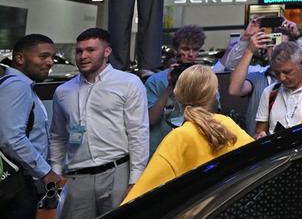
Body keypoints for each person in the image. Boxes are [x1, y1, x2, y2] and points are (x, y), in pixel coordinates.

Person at [49, 29, 148, 218]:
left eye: (90, 50)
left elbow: (138, 134)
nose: (83, 56)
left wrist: (135, 181)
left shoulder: (128, 83)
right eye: (79, 51)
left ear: (107, 52)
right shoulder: (63, 91)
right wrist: (57, 174)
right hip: (77, 177)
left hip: (117, 172)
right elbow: (58, 137)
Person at [122, 66, 253, 204]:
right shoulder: (229, 126)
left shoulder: (178, 137)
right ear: (215, 92)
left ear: (176, 93)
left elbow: (138, 200)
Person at [0, 34, 60, 219]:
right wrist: (46, 172)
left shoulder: (16, 85)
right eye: (43, 57)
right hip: (14, 183)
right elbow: (11, 138)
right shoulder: (18, 86)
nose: (50, 62)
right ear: (20, 58)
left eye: (52, 57)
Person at [226, 18, 302, 133]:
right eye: (272, 44)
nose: (276, 49)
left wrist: (298, 37)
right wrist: (248, 45)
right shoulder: (258, 76)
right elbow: (234, 87)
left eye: (282, 46)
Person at [145, 25, 206, 155]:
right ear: (175, 50)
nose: (190, 54)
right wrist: (169, 87)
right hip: (161, 150)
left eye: (195, 50)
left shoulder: (204, 78)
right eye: (185, 49)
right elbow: (151, 120)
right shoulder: (155, 80)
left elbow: (212, 115)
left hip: (193, 149)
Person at [254, 42, 302, 138]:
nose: (282, 78)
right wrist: (260, 136)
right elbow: (259, 132)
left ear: (301, 63)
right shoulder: (269, 92)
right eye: (277, 73)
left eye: (287, 72)